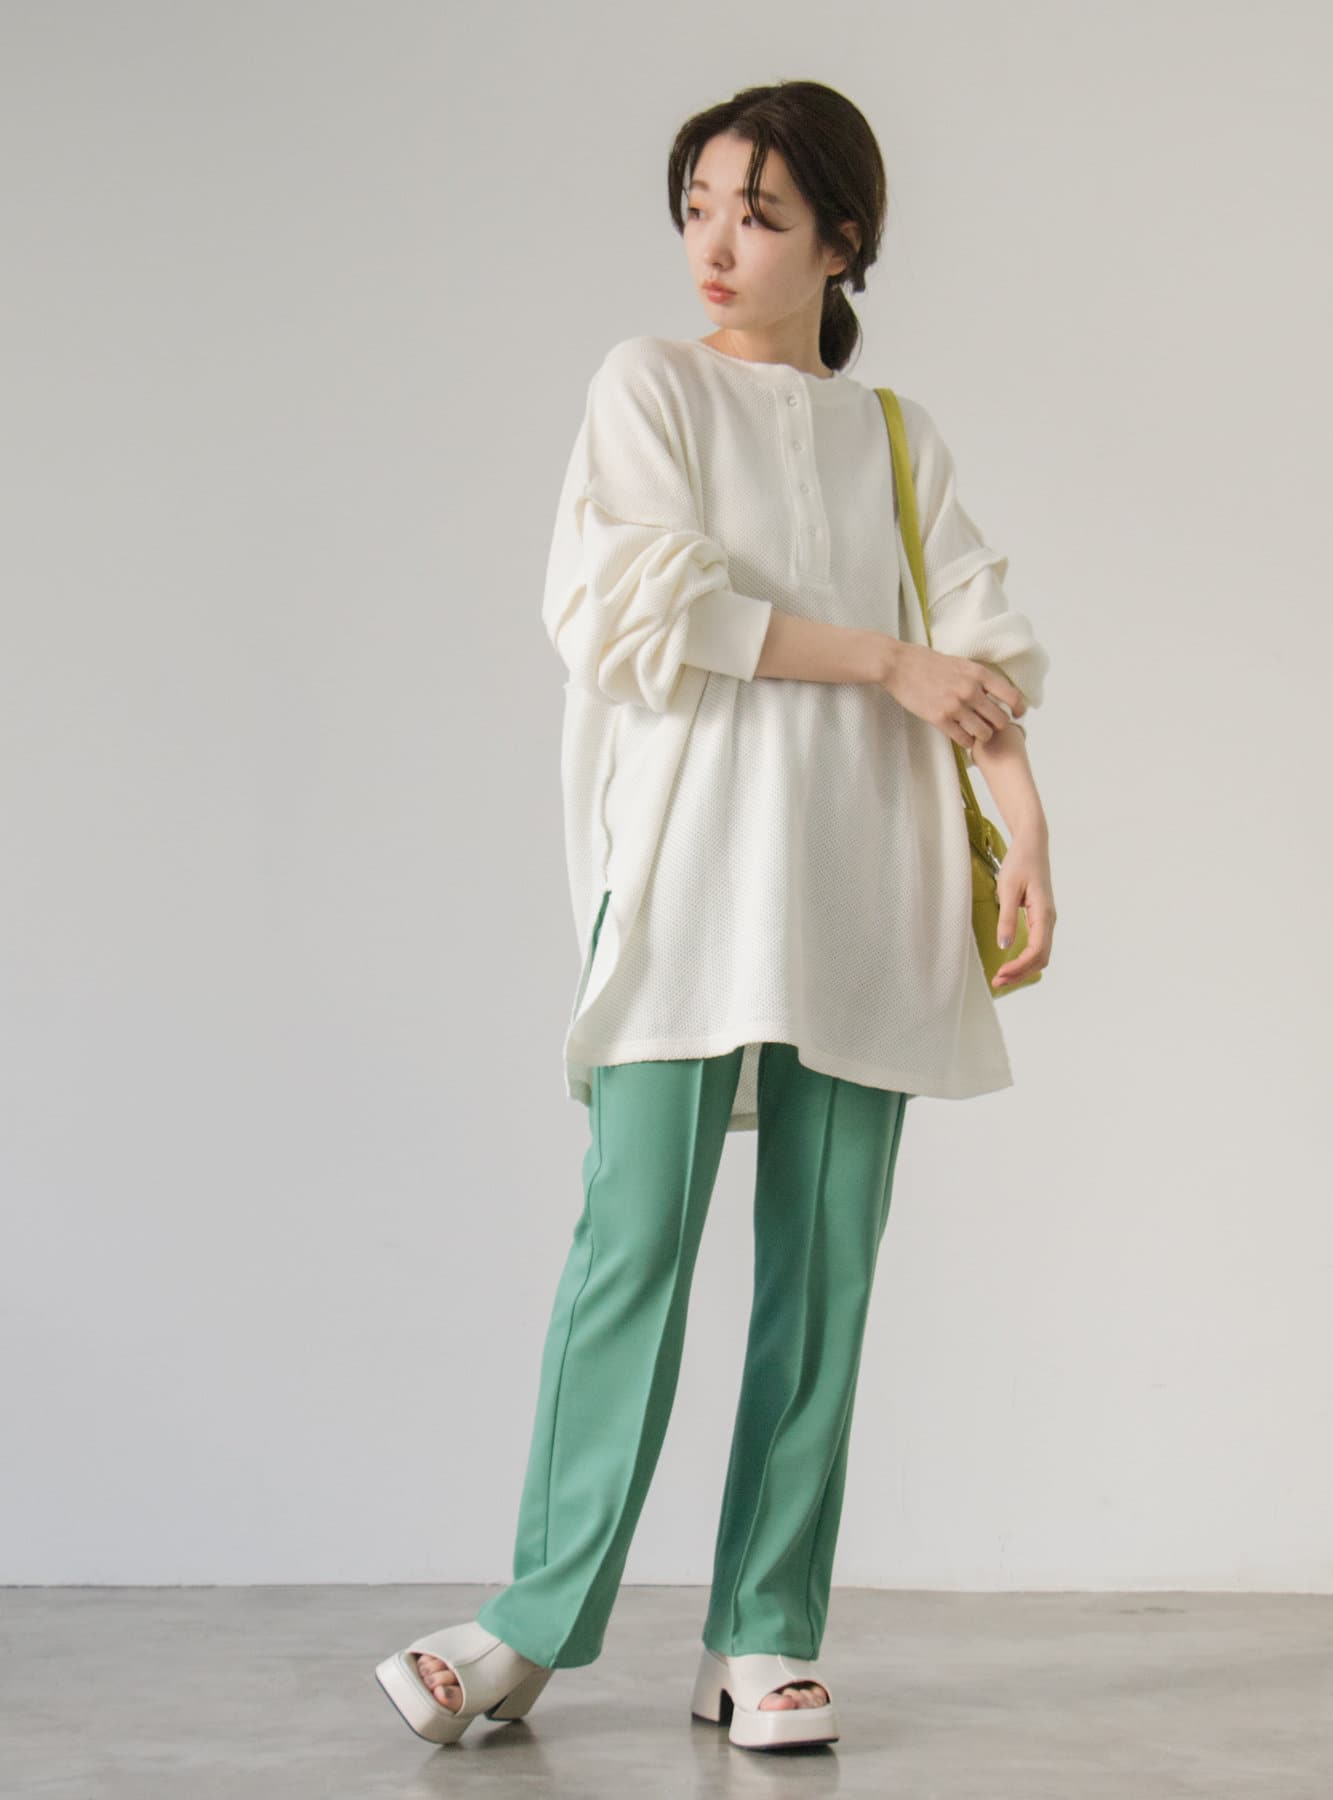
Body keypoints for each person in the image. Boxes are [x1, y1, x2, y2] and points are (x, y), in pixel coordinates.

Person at [375, 77, 1056, 1754]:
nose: (717, 244)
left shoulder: (895, 438)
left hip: (872, 882)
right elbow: (643, 603)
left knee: (824, 1274)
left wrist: (1028, 828)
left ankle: (765, 1632)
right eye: (697, 207)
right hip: (692, 878)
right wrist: (887, 660)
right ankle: (533, 1623)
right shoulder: (649, 389)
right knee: (634, 1246)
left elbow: (981, 647)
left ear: (842, 238)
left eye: (758, 212)